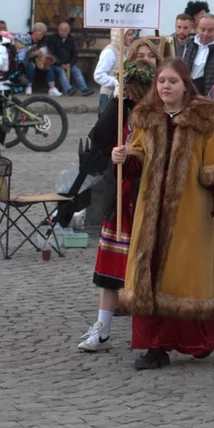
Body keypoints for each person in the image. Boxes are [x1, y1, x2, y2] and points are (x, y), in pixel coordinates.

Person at [111, 59, 214, 369]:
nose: (165, 87)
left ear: (185, 85)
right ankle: (156, 347)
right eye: (161, 82)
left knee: (186, 277)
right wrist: (124, 156)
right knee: (151, 273)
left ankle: (197, 340)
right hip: (152, 210)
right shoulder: (147, 117)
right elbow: (139, 157)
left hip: (191, 211)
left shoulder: (206, 118)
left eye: (172, 81)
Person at [77, 61, 156, 352]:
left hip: (145, 196)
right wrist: (118, 99)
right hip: (120, 196)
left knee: (148, 266)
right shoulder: (124, 109)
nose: (133, 95)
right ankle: (103, 327)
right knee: (110, 264)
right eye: (129, 89)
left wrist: (134, 157)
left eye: (137, 90)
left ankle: (150, 331)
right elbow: (99, 135)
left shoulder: (158, 116)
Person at [180, 14, 214, 97]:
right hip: (188, 94)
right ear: (197, 29)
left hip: (211, 98)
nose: (206, 34)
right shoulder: (189, 45)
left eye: (210, 30)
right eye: (202, 29)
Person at [48, 21, 93, 97]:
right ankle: (69, 89)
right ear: (58, 30)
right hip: (56, 64)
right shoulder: (53, 39)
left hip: (69, 63)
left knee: (77, 72)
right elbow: (51, 54)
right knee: (61, 72)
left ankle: (84, 89)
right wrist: (60, 64)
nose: (62, 32)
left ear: (68, 31)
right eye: (61, 30)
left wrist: (69, 64)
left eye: (65, 30)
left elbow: (74, 54)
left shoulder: (71, 40)